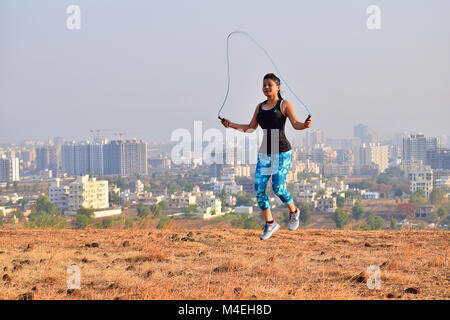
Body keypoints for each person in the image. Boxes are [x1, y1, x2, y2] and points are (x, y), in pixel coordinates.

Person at [221, 73, 311, 240]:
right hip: (265, 151)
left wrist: (305, 126)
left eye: (270, 84)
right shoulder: (260, 107)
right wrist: (230, 124)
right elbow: (250, 128)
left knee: (278, 188)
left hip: (282, 151)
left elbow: (296, 124)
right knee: (259, 188)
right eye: (264, 85)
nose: (266, 87)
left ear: (278, 86)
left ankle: (294, 211)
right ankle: (270, 223)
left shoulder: (284, 105)